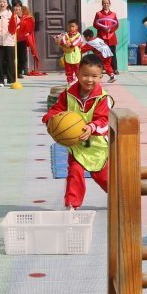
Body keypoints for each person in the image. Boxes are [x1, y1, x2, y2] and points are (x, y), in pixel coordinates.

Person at [42, 53, 112, 210]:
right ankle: (71, 207)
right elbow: (56, 110)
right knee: (74, 172)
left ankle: (120, 198)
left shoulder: (103, 98)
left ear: (101, 77)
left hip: (98, 147)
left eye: (94, 76)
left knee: (105, 179)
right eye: (85, 75)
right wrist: (50, 120)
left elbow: (104, 121)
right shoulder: (68, 94)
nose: (89, 79)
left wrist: (91, 127)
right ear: (77, 74)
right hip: (76, 145)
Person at [93, 0, 120, 74]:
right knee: (101, 53)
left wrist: (110, 30)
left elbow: (117, 24)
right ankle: (100, 69)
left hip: (111, 37)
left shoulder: (113, 14)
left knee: (112, 53)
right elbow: (95, 24)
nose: (106, 4)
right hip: (101, 36)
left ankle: (114, 69)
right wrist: (103, 28)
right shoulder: (98, 14)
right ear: (102, 4)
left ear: (109, 4)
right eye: (104, 3)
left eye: (107, 3)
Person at [10, 3, 35, 77]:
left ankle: (19, 71)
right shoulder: (10, 14)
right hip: (12, 39)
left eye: (18, 6)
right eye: (15, 6)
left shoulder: (25, 14)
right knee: (12, 56)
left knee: (22, 57)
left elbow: (30, 24)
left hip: (22, 39)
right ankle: (12, 72)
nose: (17, 8)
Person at [57, 19, 85, 85]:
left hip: (76, 55)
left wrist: (70, 44)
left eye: (73, 26)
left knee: (77, 69)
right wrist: (63, 43)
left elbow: (77, 42)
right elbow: (61, 40)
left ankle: (78, 82)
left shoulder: (79, 35)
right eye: (69, 26)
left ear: (77, 27)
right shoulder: (65, 35)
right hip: (67, 55)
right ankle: (69, 81)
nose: (71, 28)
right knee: (68, 70)